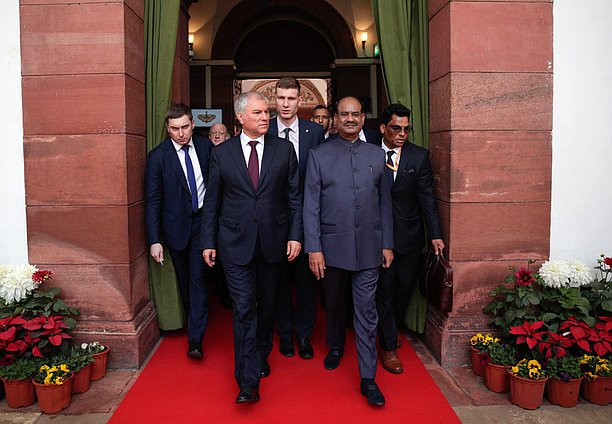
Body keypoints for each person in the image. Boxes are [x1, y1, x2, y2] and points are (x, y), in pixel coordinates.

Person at [201, 91, 302, 404]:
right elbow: (213, 201)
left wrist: (296, 235)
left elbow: (294, 198)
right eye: (257, 113)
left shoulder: (284, 150)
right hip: (235, 245)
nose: (265, 117)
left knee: (267, 307)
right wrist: (208, 241)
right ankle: (247, 381)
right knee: (244, 309)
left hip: (274, 243)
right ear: (240, 117)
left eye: (266, 112)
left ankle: (261, 352)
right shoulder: (222, 153)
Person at [303, 96, 393, 406]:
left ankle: (368, 378)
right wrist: (313, 248)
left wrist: (387, 243)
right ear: (335, 120)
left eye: (356, 114)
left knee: (366, 312)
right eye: (344, 114)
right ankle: (336, 346)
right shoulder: (318, 155)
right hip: (331, 248)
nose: (350, 119)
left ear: (363, 117)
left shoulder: (376, 155)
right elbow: (310, 206)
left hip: (369, 248)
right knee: (334, 302)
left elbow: (384, 204)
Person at [373, 103, 445, 374]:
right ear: (383, 128)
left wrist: (435, 234)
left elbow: (427, 198)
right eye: (396, 128)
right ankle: (388, 345)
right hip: (378, 237)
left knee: (404, 288)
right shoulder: (369, 152)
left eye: (406, 129)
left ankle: (389, 328)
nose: (402, 134)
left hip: (409, 237)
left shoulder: (418, 156)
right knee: (385, 290)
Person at [145, 103, 213, 359]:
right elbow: (152, 200)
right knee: (186, 281)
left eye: (185, 127)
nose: (181, 133)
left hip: (204, 223)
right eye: (175, 129)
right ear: (167, 128)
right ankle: (193, 315)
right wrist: (154, 240)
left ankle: (196, 340)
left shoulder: (207, 148)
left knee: (198, 278)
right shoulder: (158, 157)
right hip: (176, 228)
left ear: (193, 124)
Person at [269, 77, 325, 360]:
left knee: (305, 281)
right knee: (279, 281)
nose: (286, 104)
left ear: (300, 100)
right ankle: (285, 335)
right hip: (274, 219)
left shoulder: (314, 132)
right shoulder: (264, 129)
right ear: (274, 99)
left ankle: (304, 335)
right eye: (281, 98)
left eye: (291, 98)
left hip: (307, 218)